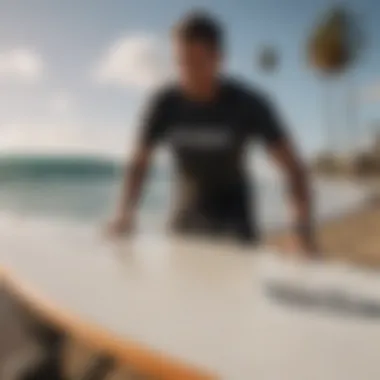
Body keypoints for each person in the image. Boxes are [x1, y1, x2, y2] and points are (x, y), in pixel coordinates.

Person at [108, 11, 317, 255]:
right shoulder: (164, 104)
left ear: (218, 58)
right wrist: (125, 213)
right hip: (183, 226)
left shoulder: (248, 103)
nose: (188, 73)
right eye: (182, 62)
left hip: (236, 230)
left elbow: (294, 169)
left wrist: (301, 228)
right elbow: (139, 163)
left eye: (197, 63)